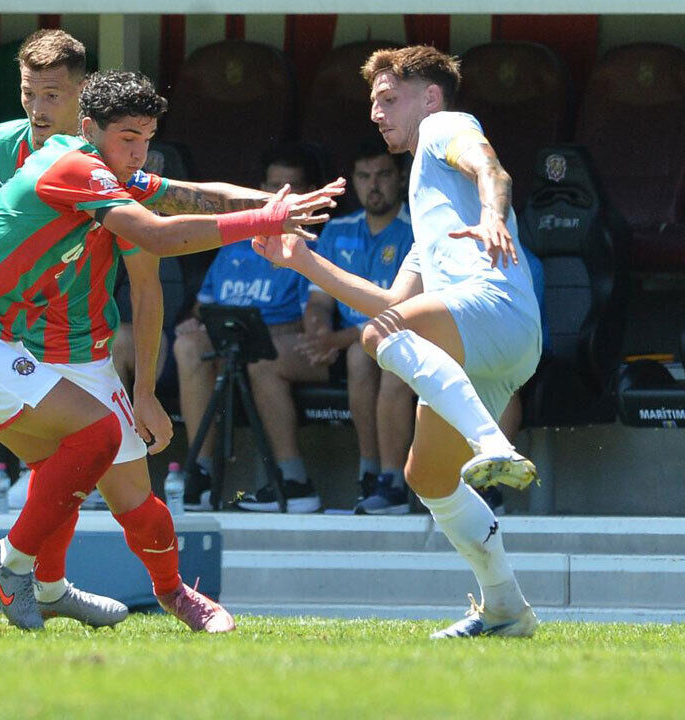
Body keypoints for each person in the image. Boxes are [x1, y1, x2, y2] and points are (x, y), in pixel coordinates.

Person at [0, 66, 333, 632]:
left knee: (113, 481)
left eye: (147, 139)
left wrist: (289, 203)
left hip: (60, 348)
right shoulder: (58, 163)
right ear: (88, 125)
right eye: (128, 139)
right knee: (84, 435)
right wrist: (264, 218)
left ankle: (148, 591)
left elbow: (195, 202)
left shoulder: (107, 173)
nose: (139, 152)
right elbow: (158, 233)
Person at [252, 45, 541, 639]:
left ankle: (493, 443)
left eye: (388, 99)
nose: (377, 113)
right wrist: (303, 261)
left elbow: (494, 170)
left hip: (495, 312)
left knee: (383, 335)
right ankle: (506, 606)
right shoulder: (427, 206)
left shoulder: (444, 125)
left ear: (428, 96)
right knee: (428, 478)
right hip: (490, 345)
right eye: (373, 102)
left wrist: (492, 214)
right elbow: (389, 303)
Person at [173, 144, 329, 513]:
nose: (281, 198)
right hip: (231, 347)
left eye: (292, 189)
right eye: (273, 187)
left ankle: (293, 479)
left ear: (309, 193)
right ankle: (200, 472)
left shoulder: (315, 242)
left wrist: (258, 336)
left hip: (280, 351)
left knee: (262, 358)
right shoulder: (238, 242)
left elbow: (315, 320)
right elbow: (203, 307)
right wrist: (197, 323)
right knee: (187, 345)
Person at [300, 140, 416, 514]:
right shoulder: (337, 230)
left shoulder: (419, 229)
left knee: (364, 353)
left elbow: (405, 310)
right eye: (364, 177)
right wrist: (318, 331)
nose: (374, 185)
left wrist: (337, 338)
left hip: (409, 340)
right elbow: (318, 300)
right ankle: (369, 473)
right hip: (344, 345)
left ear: (401, 179)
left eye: (383, 175)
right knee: (263, 361)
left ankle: (392, 479)